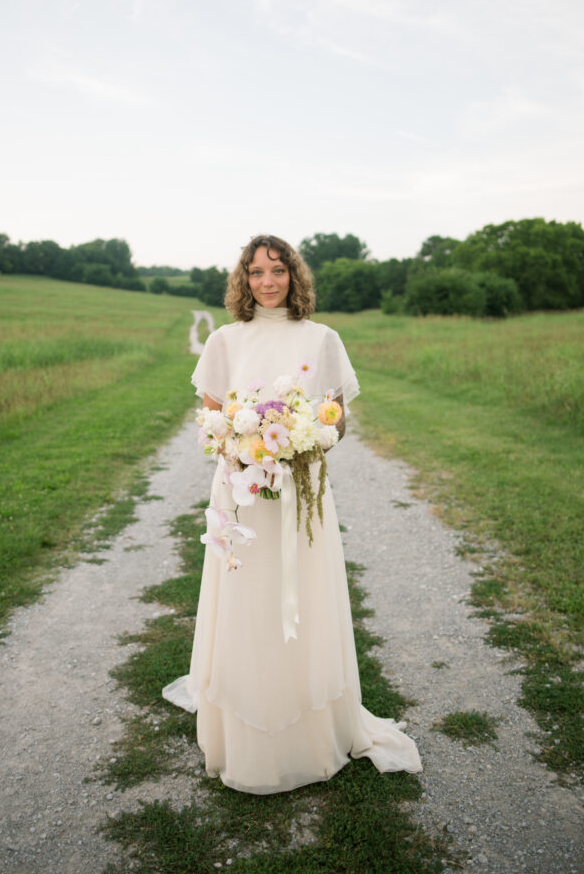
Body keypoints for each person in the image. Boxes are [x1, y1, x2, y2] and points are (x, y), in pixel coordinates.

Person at [162, 234, 422, 793]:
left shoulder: (322, 338)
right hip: (240, 491)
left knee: (304, 594)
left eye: (278, 270)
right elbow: (209, 419)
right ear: (244, 280)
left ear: (294, 277)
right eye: (256, 272)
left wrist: (302, 443)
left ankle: (308, 729)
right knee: (246, 598)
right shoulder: (227, 341)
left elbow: (338, 419)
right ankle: (245, 726)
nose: (267, 281)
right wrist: (240, 444)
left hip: (303, 490)